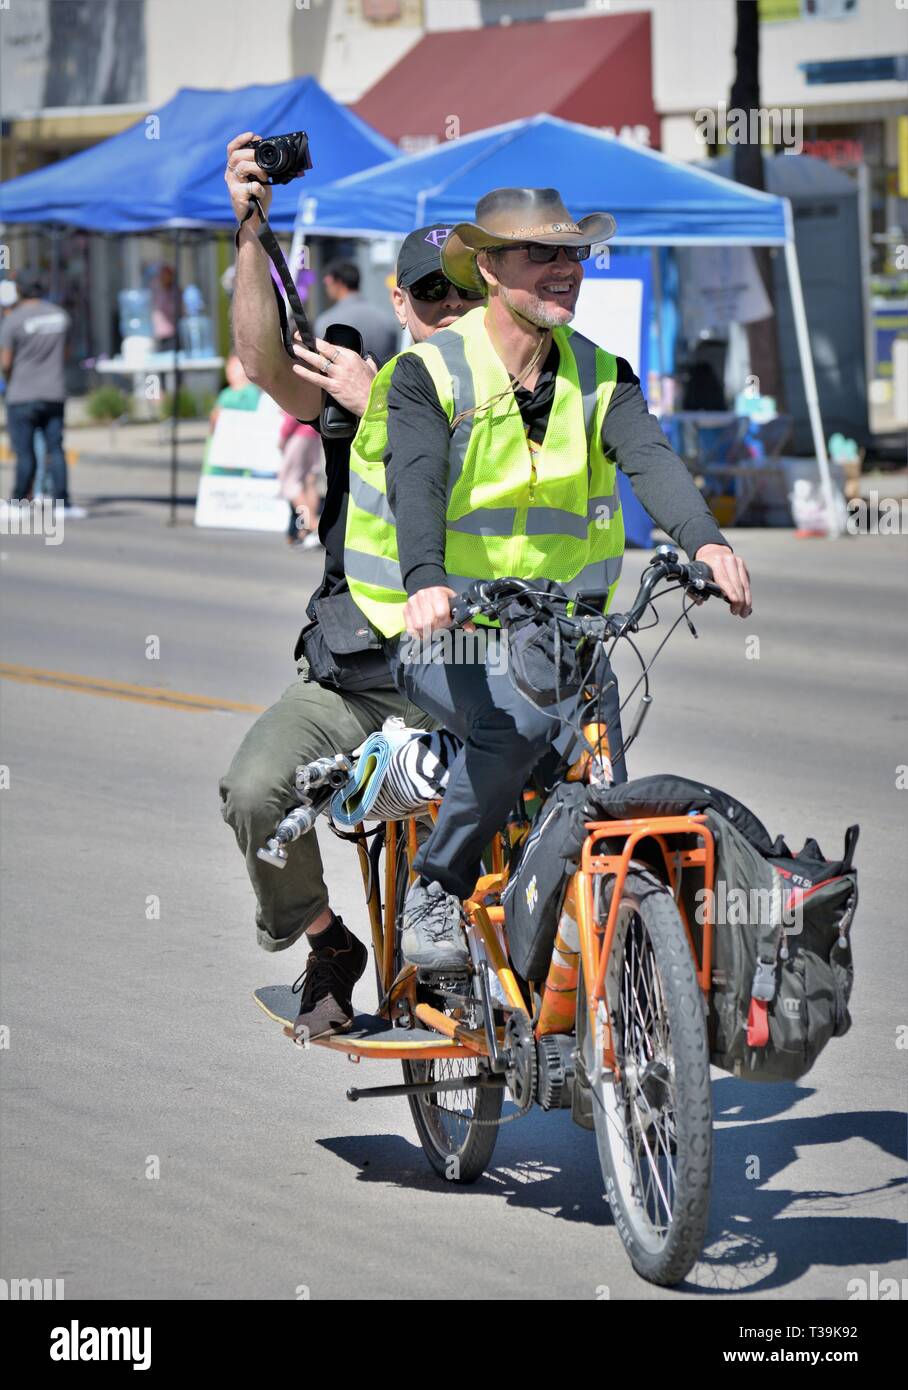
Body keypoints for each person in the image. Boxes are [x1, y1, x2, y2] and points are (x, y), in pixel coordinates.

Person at [343, 186, 753, 971]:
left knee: (604, 793)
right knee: (516, 727)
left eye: (574, 253)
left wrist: (706, 543)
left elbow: (651, 461)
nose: (567, 268)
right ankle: (439, 878)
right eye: (543, 254)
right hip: (447, 631)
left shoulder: (604, 374)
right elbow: (419, 480)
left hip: (565, 630)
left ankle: (612, 983)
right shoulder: (428, 375)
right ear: (490, 269)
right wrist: (426, 577)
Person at [219, 130, 485, 1039]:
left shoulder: (522, 392)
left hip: (479, 678)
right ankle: (328, 940)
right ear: (404, 305)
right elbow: (262, 360)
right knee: (255, 790)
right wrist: (250, 231)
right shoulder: (361, 385)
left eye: (469, 290)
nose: (451, 306)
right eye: (432, 292)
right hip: (361, 677)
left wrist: (394, 410)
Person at [0, 268, 84, 515]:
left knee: (25, 452)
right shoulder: (60, 316)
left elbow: (5, 362)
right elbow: (67, 353)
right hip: (54, 391)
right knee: (55, 450)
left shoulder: (14, 320)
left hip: (22, 394)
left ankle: (19, 502)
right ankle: (63, 503)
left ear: (19, 290)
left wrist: (12, 376)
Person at [314, 259, 399, 366]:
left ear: (339, 282)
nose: (326, 287)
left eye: (327, 282)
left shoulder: (326, 322)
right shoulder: (387, 320)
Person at [278, 413, 324, 548]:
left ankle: (313, 525)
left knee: (291, 484)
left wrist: (283, 437)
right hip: (314, 434)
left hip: (299, 434)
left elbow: (292, 412)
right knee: (309, 482)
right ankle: (306, 530)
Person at [151, 264, 178, 350]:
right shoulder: (157, 292)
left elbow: (173, 310)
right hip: (158, 333)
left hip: (171, 333)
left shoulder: (175, 292)